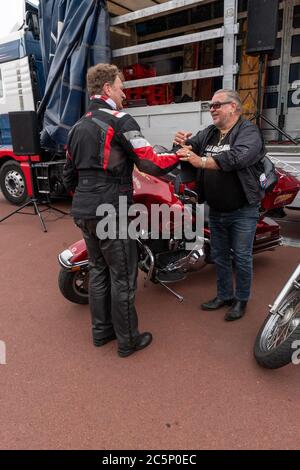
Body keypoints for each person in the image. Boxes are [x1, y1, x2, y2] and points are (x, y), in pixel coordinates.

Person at [63, 63, 179, 357]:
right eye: (121, 87)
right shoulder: (121, 120)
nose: (124, 94)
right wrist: (179, 155)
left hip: (84, 210)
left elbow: (67, 176)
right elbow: (149, 163)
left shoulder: (76, 127)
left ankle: (101, 334)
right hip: (113, 210)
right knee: (123, 276)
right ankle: (128, 341)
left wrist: (89, 196)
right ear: (107, 89)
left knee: (99, 271)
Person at [174, 89, 265, 321]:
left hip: (243, 210)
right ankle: (224, 295)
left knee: (242, 257)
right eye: (210, 106)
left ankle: (241, 300)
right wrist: (182, 144)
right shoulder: (210, 133)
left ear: (233, 107)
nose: (212, 109)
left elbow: (238, 158)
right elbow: (190, 148)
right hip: (216, 209)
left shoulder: (249, 132)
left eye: (216, 105)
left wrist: (201, 160)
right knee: (220, 256)